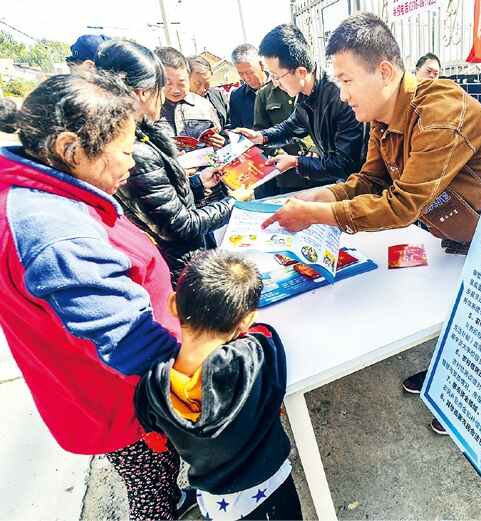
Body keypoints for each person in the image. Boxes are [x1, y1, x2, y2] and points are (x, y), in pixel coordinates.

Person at [260, 13, 481, 433]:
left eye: (347, 80)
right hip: (458, 231)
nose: (342, 94)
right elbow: (370, 180)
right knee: (455, 309)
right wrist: (326, 196)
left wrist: (318, 214)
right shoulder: (382, 119)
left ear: (385, 71)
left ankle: (468, 403)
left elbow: (402, 204)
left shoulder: (440, 112)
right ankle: (445, 374)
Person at [0, 71, 189, 519]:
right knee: (150, 484)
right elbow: (133, 345)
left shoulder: (44, 194)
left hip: (107, 391)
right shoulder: (54, 234)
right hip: (120, 402)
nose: (132, 163)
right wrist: (213, 373)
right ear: (71, 149)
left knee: (158, 471)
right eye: (124, 151)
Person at [135, 250, 303, 520]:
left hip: (217, 501)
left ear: (174, 304)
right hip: (270, 490)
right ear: (245, 320)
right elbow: (268, 336)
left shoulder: (152, 386)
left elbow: (155, 436)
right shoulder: (252, 357)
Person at [95, 40, 250, 284]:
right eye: (163, 86)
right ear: (143, 93)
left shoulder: (138, 135)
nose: (166, 95)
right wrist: (235, 202)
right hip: (178, 265)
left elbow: (163, 201)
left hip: (186, 251)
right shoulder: (135, 151)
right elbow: (181, 225)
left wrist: (198, 183)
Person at [234, 24, 366, 187]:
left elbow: (344, 164)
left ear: (301, 72)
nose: (275, 82)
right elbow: (290, 127)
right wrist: (260, 136)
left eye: (276, 76)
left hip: (364, 186)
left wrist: (297, 162)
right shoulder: (305, 94)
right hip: (345, 183)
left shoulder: (341, 97)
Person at [154, 46, 225, 147]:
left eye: (181, 83)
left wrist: (220, 142)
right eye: (168, 83)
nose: (175, 90)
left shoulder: (204, 105)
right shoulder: (147, 109)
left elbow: (218, 136)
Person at [228, 43, 268, 129]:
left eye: (250, 72)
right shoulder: (236, 96)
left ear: (261, 65)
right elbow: (237, 129)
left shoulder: (283, 86)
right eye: (241, 73)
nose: (246, 78)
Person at [189, 55, 229, 127]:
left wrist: (225, 133)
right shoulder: (177, 102)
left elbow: (230, 122)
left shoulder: (217, 95)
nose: (203, 89)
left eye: (207, 84)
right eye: (198, 84)